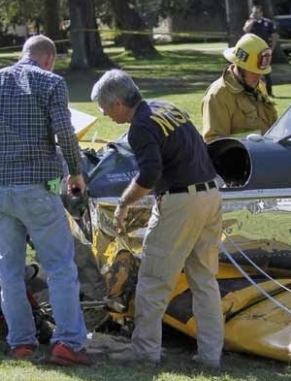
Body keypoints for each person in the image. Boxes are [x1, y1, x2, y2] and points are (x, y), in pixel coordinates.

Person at [0, 35, 90, 365]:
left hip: (0, 190)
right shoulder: (52, 82)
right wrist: (76, 172)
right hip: (38, 188)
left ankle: (21, 342)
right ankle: (69, 343)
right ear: (48, 59)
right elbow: (65, 132)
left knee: (10, 272)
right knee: (60, 267)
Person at [91, 69, 224, 368]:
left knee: (153, 279)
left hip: (181, 201)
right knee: (204, 279)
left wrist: (124, 203)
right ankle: (211, 356)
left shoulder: (140, 126)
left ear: (117, 103)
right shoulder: (167, 106)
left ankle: (145, 352)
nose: (104, 114)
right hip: (212, 194)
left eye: (103, 107)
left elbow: (150, 174)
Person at [201, 33, 278, 143]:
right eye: (253, 71)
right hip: (243, 159)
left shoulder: (258, 86)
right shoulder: (218, 95)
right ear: (239, 66)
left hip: (266, 156)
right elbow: (214, 143)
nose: (258, 76)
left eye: (261, 72)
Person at [243, 5, 278, 97]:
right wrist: (252, 21)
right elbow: (246, 30)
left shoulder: (268, 23)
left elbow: (274, 36)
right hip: (253, 51)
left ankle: (269, 92)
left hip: (264, 51)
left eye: (257, 12)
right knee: (251, 71)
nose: (255, 14)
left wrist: (272, 48)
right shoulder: (250, 22)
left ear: (261, 13)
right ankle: (252, 90)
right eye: (254, 13)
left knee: (266, 71)